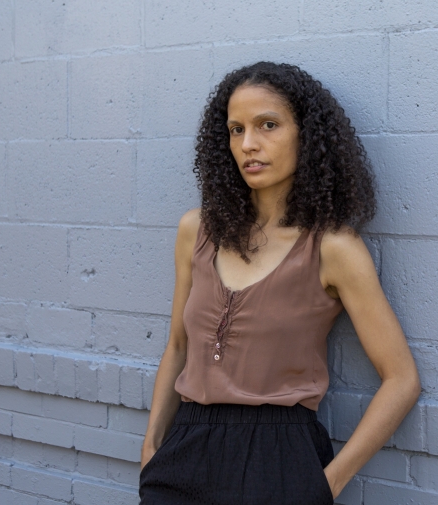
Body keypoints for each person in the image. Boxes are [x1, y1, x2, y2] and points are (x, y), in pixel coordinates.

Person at [139, 61, 420, 505]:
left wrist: (326, 485)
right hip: (183, 453)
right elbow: (177, 347)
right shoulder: (197, 231)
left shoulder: (332, 247)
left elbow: (402, 379)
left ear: (306, 134)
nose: (249, 144)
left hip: (279, 460)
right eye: (236, 130)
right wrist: (151, 448)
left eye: (268, 125)